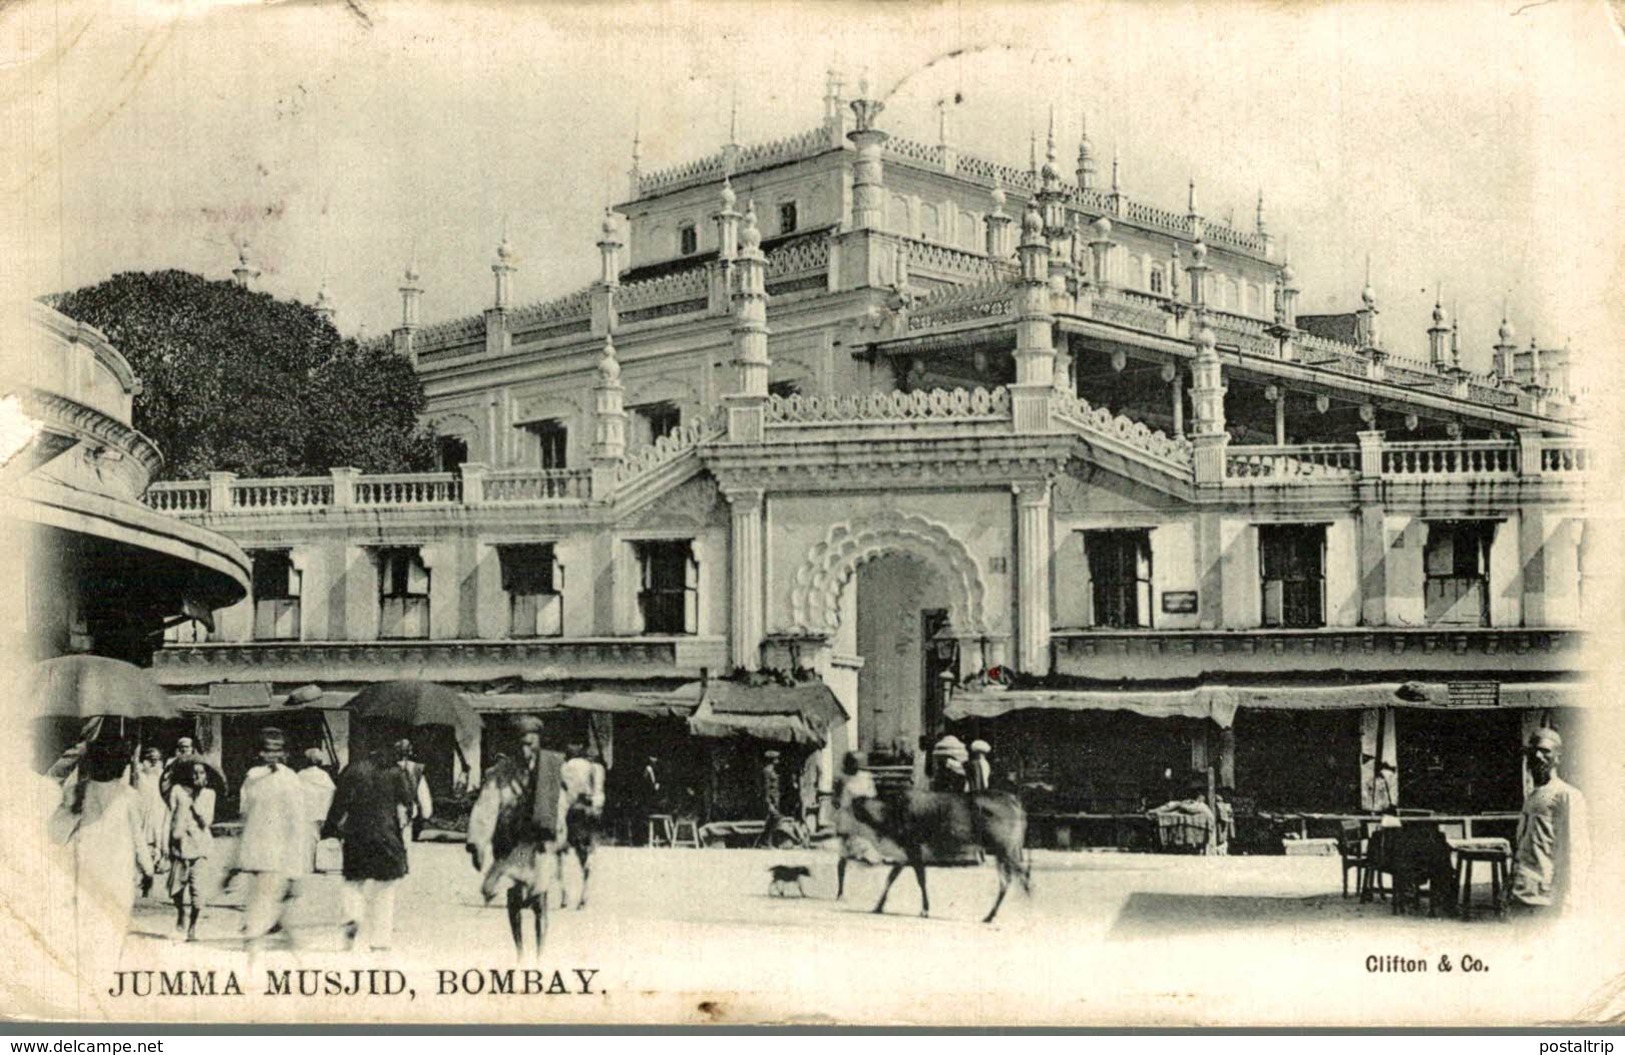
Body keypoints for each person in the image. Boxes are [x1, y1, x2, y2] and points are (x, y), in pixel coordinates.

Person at [47, 735, 154, 972]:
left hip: (84, 869)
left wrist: (71, 811)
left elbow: (54, 835)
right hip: (118, 872)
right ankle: (105, 977)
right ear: (122, 765)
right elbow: (138, 838)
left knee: (85, 928)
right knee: (113, 930)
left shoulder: (77, 792)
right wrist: (148, 870)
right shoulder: (129, 796)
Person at [323, 735, 416, 952]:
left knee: (354, 881)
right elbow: (409, 802)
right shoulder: (396, 772)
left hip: (357, 835)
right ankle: (380, 942)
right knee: (386, 888)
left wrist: (330, 829)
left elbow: (338, 804)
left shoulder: (353, 770)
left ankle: (352, 917)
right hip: (387, 836)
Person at [236, 727, 310, 958]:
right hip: (256, 853)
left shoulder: (291, 780)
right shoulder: (251, 779)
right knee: (267, 906)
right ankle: (276, 941)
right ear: (259, 752)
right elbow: (245, 815)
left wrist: (296, 867)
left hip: (279, 853)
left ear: (284, 753)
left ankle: (258, 946)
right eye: (267, 750)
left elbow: (298, 824)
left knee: (262, 908)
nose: (271, 756)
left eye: (277, 750)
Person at [1509, 728, 1590, 916]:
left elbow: (1577, 853)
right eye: (1533, 751)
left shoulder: (1567, 795)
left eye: (1545, 751)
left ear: (1558, 757)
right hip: (1522, 896)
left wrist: (1570, 902)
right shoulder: (1532, 796)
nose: (1538, 756)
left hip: (1547, 900)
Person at [165, 760, 215, 941]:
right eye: (194, 773)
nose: (197, 776)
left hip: (200, 847)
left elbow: (206, 822)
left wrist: (194, 802)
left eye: (201, 773)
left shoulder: (209, 794)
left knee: (197, 891)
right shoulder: (178, 790)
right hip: (180, 845)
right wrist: (167, 843)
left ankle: (192, 928)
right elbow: (170, 815)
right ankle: (181, 912)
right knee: (175, 889)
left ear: (206, 777)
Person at [132, 745, 170, 896]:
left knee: (156, 846)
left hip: (158, 816)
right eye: (150, 759)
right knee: (140, 846)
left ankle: (149, 881)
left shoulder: (164, 776)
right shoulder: (139, 776)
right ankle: (143, 878)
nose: (153, 763)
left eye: (156, 759)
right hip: (141, 815)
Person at [298, 748, 337, 872]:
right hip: (318, 813)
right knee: (315, 838)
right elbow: (331, 790)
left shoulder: (301, 775)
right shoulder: (324, 776)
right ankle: (315, 864)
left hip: (303, 812)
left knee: (304, 840)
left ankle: (306, 866)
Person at [161, 736, 227, 799]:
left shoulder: (198, 759)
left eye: (187, 747)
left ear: (192, 748)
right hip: (180, 790)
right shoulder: (173, 761)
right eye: (181, 747)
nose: (184, 749)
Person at [395, 738, 433, 842]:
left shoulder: (387, 768)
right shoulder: (416, 769)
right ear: (410, 751)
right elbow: (425, 802)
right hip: (408, 815)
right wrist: (425, 814)